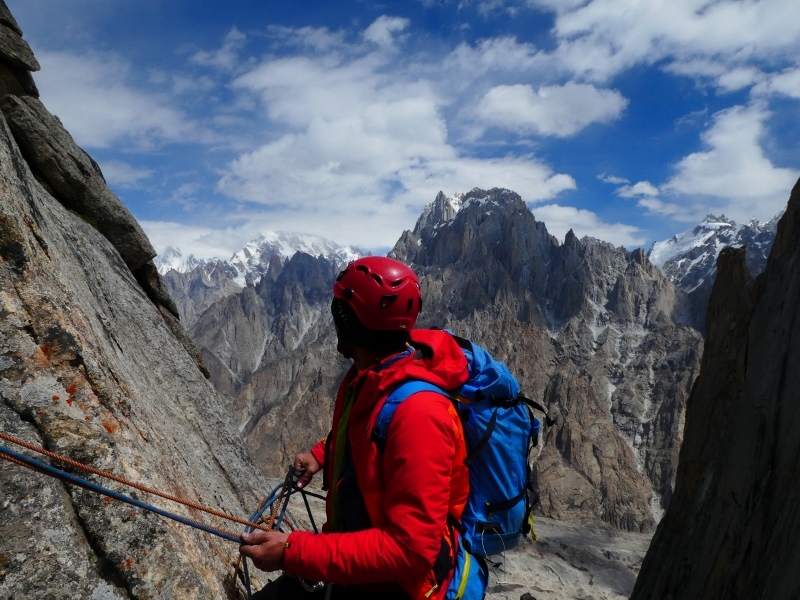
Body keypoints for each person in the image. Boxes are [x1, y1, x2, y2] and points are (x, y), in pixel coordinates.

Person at [240, 256, 471, 599]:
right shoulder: (370, 378)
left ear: (347, 321)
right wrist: (322, 454)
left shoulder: (420, 413)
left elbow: (412, 551)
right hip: (359, 570)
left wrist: (293, 552)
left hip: (396, 588)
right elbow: (368, 435)